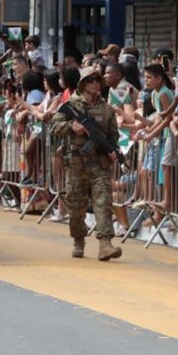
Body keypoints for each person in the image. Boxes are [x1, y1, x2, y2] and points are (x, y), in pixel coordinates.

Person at [50, 67, 123, 261]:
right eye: (90, 80)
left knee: (103, 202)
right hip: (76, 163)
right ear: (82, 83)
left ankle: (105, 244)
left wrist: (112, 149)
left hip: (99, 163)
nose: (95, 83)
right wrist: (71, 126)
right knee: (76, 206)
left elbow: (113, 136)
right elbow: (54, 126)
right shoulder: (71, 105)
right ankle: (78, 240)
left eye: (97, 80)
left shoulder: (107, 109)